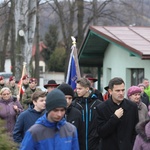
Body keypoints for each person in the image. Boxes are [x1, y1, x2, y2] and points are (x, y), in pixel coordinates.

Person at [96, 77, 139, 150]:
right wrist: (115, 118)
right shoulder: (101, 108)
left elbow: (135, 131)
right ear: (110, 91)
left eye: (123, 90)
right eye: (118, 91)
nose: (121, 93)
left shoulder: (132, 107)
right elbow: (101, 133)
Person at [72, 77, 102, 150]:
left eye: (80, 89)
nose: (77, 91)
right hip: (79, 144)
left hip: (95, 144)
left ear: (87, 88)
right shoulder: (74, 104)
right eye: (77, 88)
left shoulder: (98, 104)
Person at [57, 83, 83, 150]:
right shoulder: (51, 113)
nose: (67, 101)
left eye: (70, 98)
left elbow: (80, 136)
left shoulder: (77, 113)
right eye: (65, 98)